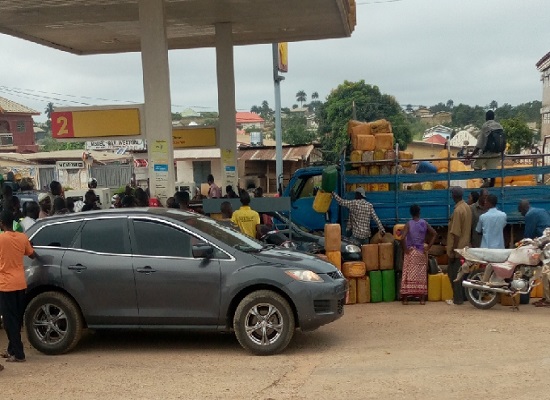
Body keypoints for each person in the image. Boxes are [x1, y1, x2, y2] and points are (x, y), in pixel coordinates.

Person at [0, 209, 38, 363]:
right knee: (16, 318)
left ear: (1, 223)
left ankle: (19, 354)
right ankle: (11, 350)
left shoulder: (1, 239)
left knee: (9, 321)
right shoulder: (22, 237)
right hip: (20, 283)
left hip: (5, 285)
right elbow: (32, 254)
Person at [400, 204, 436, 305]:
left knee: (408, 274)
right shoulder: (424, 223)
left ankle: (406, 299)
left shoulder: (408, 224)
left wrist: (405, 249)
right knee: (421, 275)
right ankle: (422, 300)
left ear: (411, 213)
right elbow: (434, 234)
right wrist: (428, 247)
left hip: (411, 252)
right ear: (419, 212)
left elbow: (402, 238)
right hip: (421, 252)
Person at [446, 186, 472, 305]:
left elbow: (456, 233)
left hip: (458, 249)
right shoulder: (467, 207)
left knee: (453, 273)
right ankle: (465, 297)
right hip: (465, 247)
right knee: (463, 273)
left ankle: (457, 299)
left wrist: (452, 251)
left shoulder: (457, 211)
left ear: (453, 196)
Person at [468, 110, 504, 188]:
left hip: (487, 152)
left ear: (486, 117)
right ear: (494, 117)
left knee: (476, 166)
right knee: (492, 172)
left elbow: (479, 144)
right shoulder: (500, 126)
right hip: (497, 153)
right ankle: (492, 189)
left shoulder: (486, 126)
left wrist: (471, 155)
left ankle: (486, 181)